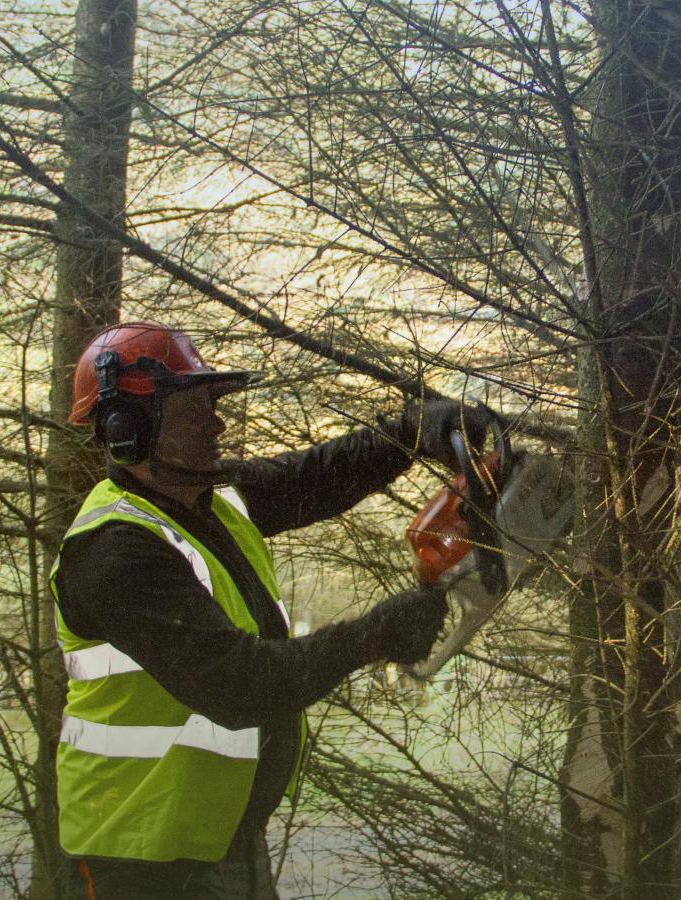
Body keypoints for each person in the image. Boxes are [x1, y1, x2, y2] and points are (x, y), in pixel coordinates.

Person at [50, 321, 492, 899]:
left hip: (217, 836)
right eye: (194, 410)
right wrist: (372, 636)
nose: (217, 422)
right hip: (141, 858)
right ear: (128, 430)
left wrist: (413, 429)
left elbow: (319, 475)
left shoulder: (211, 501)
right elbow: (239, 685)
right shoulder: (115, 553)